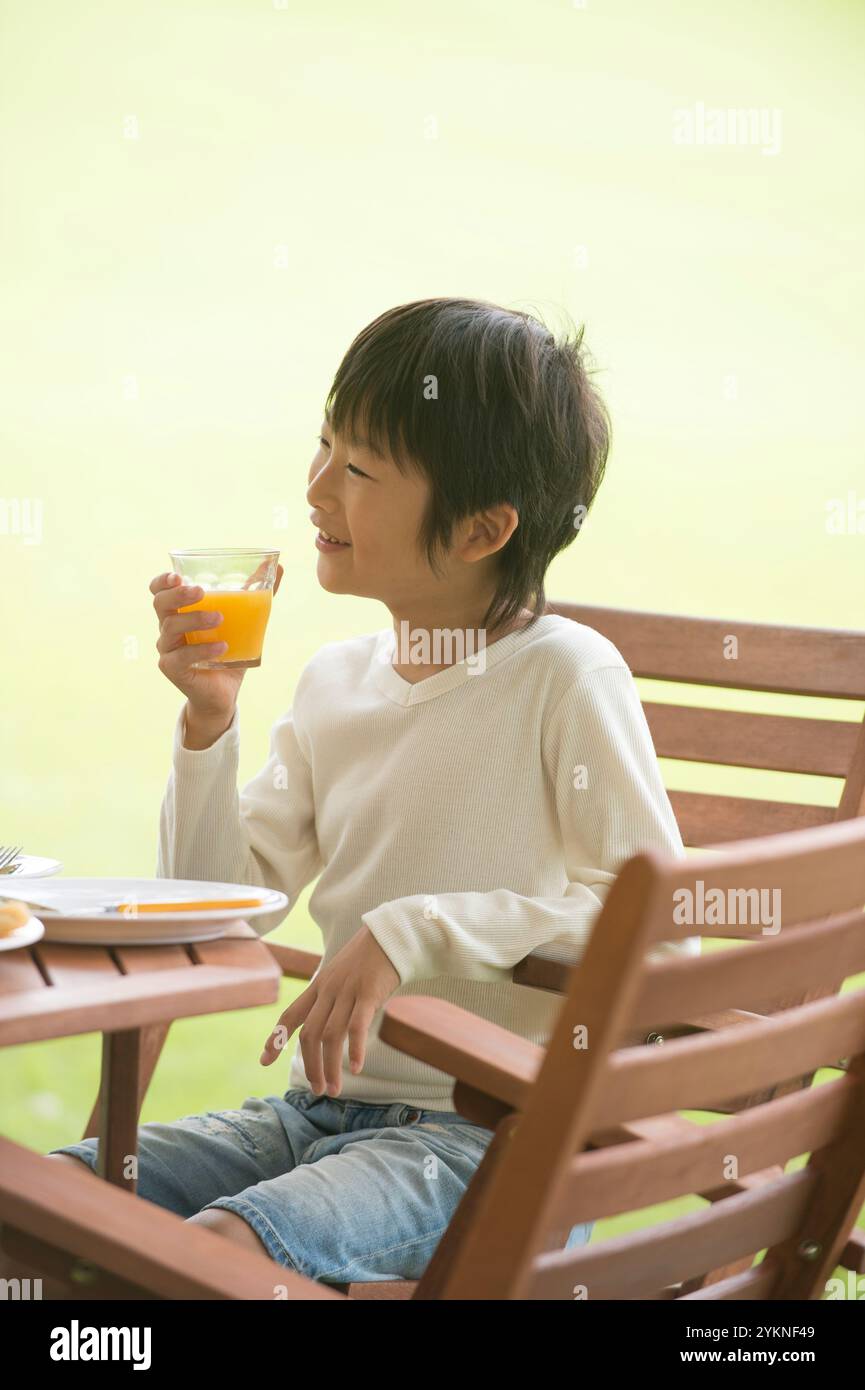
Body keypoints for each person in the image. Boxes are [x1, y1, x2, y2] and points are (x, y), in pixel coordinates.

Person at [47, 297, 698, 1289]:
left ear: (481, 528)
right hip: (310, 1119)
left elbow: (660, 929)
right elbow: (211, 898)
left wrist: (416, 929)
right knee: (47, 1202)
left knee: (215, 1258)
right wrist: (210, 723)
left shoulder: (565, 675)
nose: (315, 488)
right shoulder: (335, 681)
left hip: (480, 1146)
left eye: (357, 469)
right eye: (323, 443)